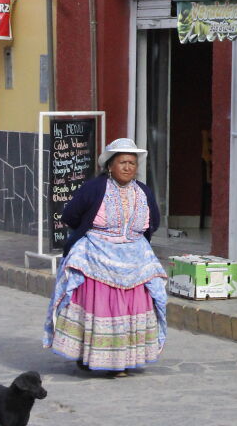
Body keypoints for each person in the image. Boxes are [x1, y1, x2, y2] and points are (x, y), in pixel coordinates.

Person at [43, 137, 167, 375]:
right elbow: (70, 215)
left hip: (135, 258)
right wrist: (94, 235)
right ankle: (89, 355)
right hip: (97, 257)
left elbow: (154, 221)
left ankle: (124, 359)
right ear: (110, 165)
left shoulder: (143, 191)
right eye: (122, 162)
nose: (128, 167)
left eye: (132, 163)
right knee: (100, 307)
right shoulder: (95, 188)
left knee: (133, 307)